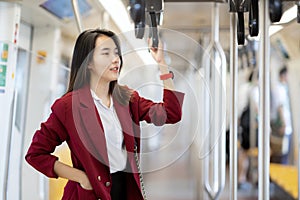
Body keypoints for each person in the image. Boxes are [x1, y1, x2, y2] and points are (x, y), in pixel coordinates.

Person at [25, 29, 184, 200]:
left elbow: (171, 113)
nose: (115, 59)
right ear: (89, 63)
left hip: (124, 189)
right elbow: (35, 154)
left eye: (116, 53)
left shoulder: (127, 99)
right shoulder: (68, 107)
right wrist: (81, 177)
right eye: (106, 53)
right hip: (89, 192)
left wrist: (161, 64)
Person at [238, 70, 259, 187]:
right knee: (259, 151)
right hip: (251, 126)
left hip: (243, 124)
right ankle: (257, 178)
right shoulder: (254, 89)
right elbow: (256, 108)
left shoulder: (242, 88)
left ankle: (241, 177)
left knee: (243, 152)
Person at [270, 66, 292, 164]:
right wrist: (284, 124)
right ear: (283, 75)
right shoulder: (280, 89)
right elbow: (280, 107)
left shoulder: (283, 88)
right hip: (283, 125)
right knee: (281, 153)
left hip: (286, 125)